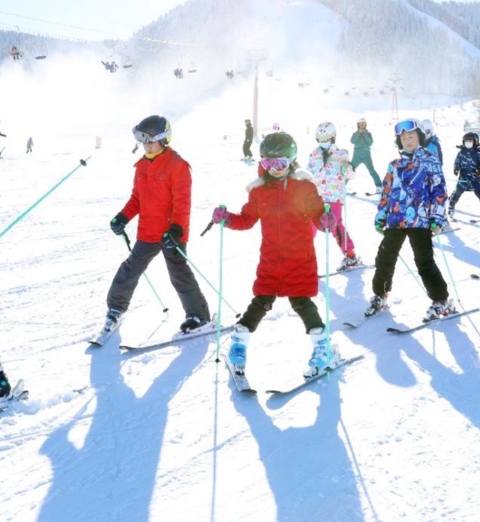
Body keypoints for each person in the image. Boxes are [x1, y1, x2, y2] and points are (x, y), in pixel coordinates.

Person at [211, 132, 340, 379]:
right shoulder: (259, 192)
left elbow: (317, 216)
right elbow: (247, 220)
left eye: (280, 163)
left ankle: (322, 348)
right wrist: (228, 219)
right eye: (268, 163)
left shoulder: (304, 187)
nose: (275, 169)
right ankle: (238, 344)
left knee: (301, 301)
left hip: (299, 258)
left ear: (292, 161)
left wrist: (325, 221)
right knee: (261, 300)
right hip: (271, 259)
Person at [105, 115, 211, 335]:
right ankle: (116, 308)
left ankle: (198, 316)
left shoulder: (177, 165)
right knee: (130, 269)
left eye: (150, 140)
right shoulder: (141, 166)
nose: (146, 145)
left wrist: (176, 230)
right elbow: (137, 199)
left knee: (178, 274)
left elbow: (182, 203)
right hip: (147, 232)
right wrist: (122, 217)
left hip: (172, 233)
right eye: (142, 141)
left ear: (163, 140)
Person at [363, 118, 456, 323]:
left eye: (411, 136)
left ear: (419, 138)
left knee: (424, 261)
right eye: (403, 138)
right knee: (385, 259)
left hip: (421, 221)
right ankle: (380, 294)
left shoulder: (430, 161)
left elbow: (439, 192)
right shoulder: (394, 165)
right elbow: (386, 192)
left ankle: (441, 299)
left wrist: (437, 217)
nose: (407, 140)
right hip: (395, 219)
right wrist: (381, 215)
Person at [307, 121, 361, 271]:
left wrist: (347, 167)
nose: (323, 143)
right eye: (320, 140)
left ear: (333, 138)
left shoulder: (341, 154)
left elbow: (351, 174)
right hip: (315, 198)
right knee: (308, 226)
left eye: (326, 140)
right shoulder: (313, 154)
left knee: (335, 225)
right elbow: (308, 175)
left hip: (334, 197)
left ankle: (350, 255)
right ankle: (303, 259)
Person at [447, 132, 480, 221]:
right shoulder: (461, 152)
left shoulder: (478, 152)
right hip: (464, 177)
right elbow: (457, 161)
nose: (468, 142)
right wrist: (456, 169)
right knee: (457, 193)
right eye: (466, 141)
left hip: (475, 177)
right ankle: (451, 207)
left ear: (475, 141)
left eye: (470, 140)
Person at [349, 117, 382, 192]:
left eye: (363, 124)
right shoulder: (355, 133)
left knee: (371, 170)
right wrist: (358, 133)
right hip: (357, 155)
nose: (362, 126)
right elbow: (353, 141)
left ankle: (379, 186)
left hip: (366, 155)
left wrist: (365, 134)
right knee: (350, 170)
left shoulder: (368, 134)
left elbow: (370, 143)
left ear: (365, 125)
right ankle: (342, 186)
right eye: (360, 124)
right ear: (358, 125)